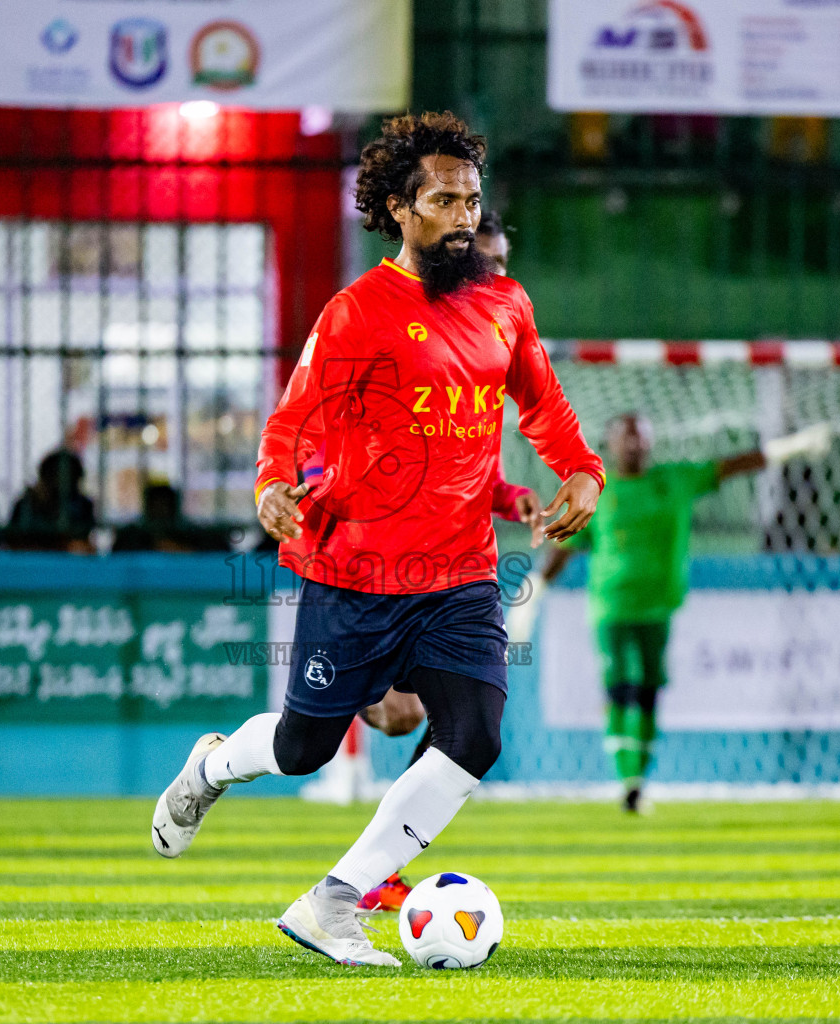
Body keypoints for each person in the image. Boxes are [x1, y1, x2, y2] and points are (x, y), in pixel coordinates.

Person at [150, 111, 604, 967]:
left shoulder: (506, 304)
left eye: (472, 200)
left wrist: (581, 468)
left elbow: (541, 407)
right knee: (300, 747)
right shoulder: (358, 313)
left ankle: (335, 902)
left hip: (461, 572)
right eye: (444, 199)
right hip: (356, 571)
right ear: (400, 207)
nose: (464, 216)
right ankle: (213, 767)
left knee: (474, 733)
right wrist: (272, 484)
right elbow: (294, 419)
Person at [354, 209, 534, 913]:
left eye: (499, 261)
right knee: (397, 717)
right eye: (481, 258)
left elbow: (462, 470)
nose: (490, 274)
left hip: (454, 567)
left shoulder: (485, 345)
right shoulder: (396, 330)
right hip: (380, 557)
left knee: (464, 725)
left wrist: (511, 495)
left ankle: (378, 872)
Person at [517, 412, 830, 813]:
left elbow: (734, 466)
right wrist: (535, 592)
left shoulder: (675, 481)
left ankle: (636, 783)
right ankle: (624, 775)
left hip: (659, 607)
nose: (634, 444)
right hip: (611, 607)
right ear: (611, 444)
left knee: (648, 689)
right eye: (626, 437)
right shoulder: (598, 494)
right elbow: (563, 547)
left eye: (641, 437)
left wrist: (794, 446)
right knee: (621, 686)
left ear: (650, 443)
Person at [5, 450, 97, 553]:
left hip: (70, 566)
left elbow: (83, 545)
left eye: (70, 478)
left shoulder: (82, 505)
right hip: (31, 564)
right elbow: (12, 545)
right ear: (44, 476)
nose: (60, 484)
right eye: (54, 476)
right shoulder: (25, 506)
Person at [112, 483, 232, 553]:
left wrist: (183, 550)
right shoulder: (132, 536)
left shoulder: (192, 534)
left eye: (165, 507)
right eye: (155, 507)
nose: (160, 513)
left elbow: (220, 552)